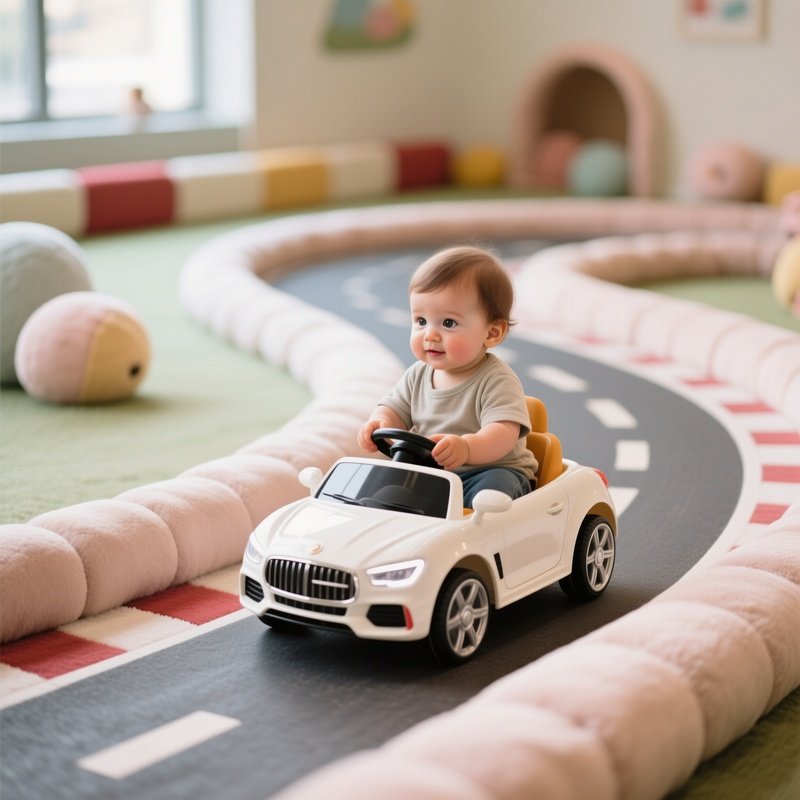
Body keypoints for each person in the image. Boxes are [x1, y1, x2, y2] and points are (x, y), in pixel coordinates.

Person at [358, 245, 537, 508]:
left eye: (448, 323)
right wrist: (379, 421)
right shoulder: (417, 375)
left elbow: (502, 435)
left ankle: (482, 529)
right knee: (378, 483)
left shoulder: (496, 380)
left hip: (486, 471)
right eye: (420, 321)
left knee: (492, 493)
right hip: (432, 471)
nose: (429, 334)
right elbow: (393, 408)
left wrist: (466, 448)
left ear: (492, 333)